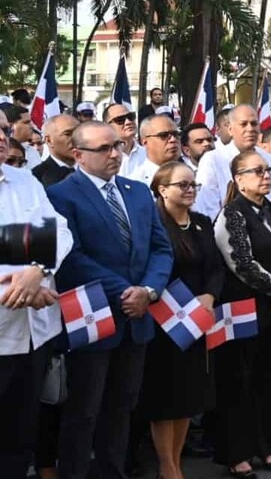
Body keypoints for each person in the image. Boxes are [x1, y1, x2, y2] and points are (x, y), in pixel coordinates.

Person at [47, 121, 173, 479]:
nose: (115, 154)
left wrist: (148, 291)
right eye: (103, 149)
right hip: (94, 317)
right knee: (84, 411)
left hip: (138, 317)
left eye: (116, 146)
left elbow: (160, 249)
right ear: (78, 155)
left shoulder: (136, 192)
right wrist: (125, 291)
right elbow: (70, 257)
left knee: (122, 407)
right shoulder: (60, 195)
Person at [212, 150, 271, 477]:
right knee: (240, 380)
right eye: (256, 172)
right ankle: (236, 453)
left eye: (266, 170)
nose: (265, 176)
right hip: (243, 307)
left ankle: (264, 446)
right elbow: (241, 262)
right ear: (239, 180)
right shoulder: (232, 214)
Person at [143, 162, 223, 479]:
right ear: (162, 189)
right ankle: (167, 465)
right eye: (182, 185)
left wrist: (210, 296)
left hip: (196, 321)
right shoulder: (155, 225)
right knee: (166, 397)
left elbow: (216, 268)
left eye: (193, 185)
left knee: (190, 396)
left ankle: (176, 461)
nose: (190, 190)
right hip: (164, 321)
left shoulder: (202, 223)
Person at [0, 128, 73, 478]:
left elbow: (57, 230)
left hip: (33, 336)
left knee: (19, 437)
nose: (1, 136)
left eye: (2, 129)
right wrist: (24, 285)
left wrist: (36, 271)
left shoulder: (24, 181)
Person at [195, 105, 271, 220]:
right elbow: (208, 208)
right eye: (243, 124)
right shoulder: (212, 160)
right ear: (230, 129)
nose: (250, 129)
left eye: (254, 124)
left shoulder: (269, 159)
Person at [32, 114, 77, 188]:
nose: (75, 138)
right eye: (68, 134)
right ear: (49, 140)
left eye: (79, 133)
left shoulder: (95, 169)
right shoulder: (36, 177)